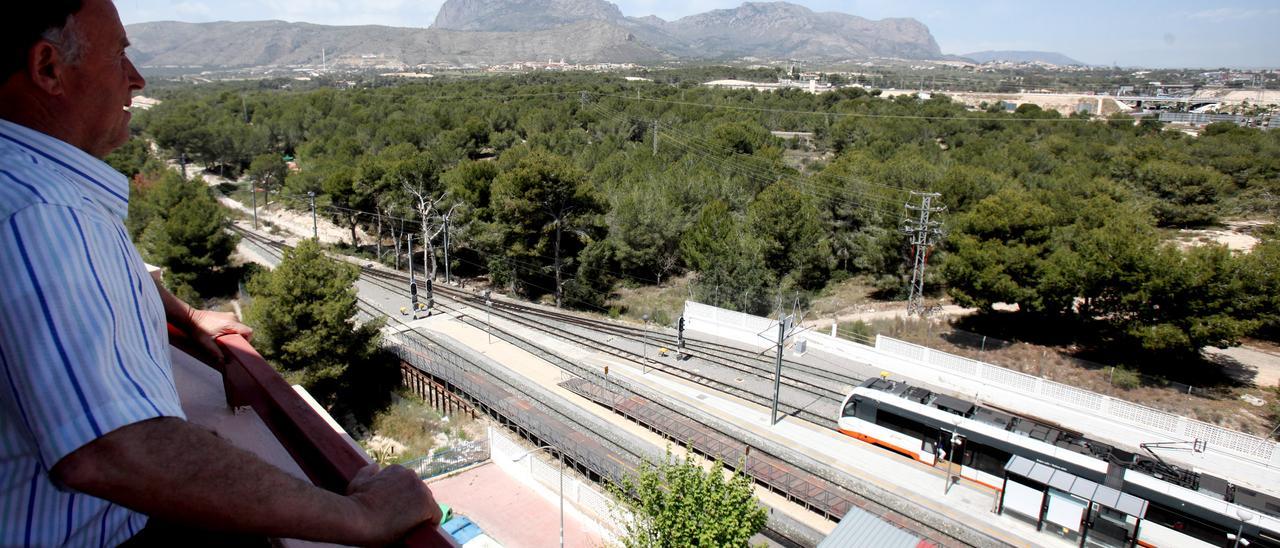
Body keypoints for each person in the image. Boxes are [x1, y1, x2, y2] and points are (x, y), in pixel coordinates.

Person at [0, 2, 442, 545]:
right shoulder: (42, 213)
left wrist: (183, 313)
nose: (135, 80)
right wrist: (363, 518)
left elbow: (65, 291)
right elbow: (112, 450)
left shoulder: (28, 188)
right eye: (119, 56)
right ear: (48, 68)